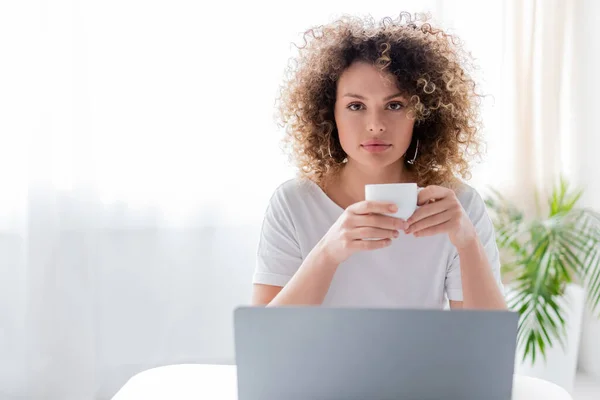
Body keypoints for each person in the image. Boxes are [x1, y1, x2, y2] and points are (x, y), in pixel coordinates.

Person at [251, 12, 507, 311]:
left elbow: (483, 346)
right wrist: (328, 252)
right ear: (328, 113)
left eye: (394, 105)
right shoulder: (294, 202)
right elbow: (266, 340)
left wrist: (467, 242)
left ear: (423, 114)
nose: (375, 125)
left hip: (420, 361)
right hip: (322, 361)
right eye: (356, 105)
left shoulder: (456, 206)